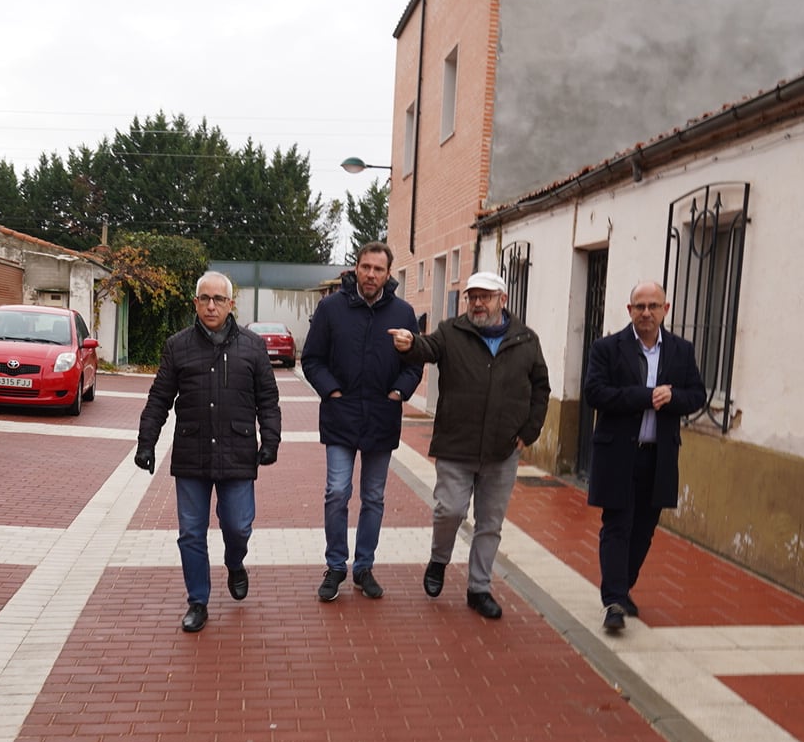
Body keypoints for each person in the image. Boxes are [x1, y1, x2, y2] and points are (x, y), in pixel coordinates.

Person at [387, 271, 549, 619]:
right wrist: (410, 343)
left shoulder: (526, 340)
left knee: (490, 523)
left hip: (502, 449)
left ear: (502, 300)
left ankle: (479, 589)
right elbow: (427, 348)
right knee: (450, 510)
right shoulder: (452, 331)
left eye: (485, 297)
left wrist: (530, 430)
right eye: (472, 296)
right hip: (456, 444)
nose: (477, 303)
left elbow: (541, 387)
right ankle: (439, 559)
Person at [136, 271, 282, 633]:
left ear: (231, 304)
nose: (211, 305)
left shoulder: (252, 346)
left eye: (219, 299)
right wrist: (146, 442)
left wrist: (272, 440)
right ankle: (197, 601)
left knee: (238, 525)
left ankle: (235, 562)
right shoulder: (177, 346)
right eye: (205, 298)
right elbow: (159, 398)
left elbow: (268, 399)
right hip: (192, 452)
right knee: (190, 533)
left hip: (237, 451)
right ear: (195, 303)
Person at [300, 241, 422, 602]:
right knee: (337, 492)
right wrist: (331, 391)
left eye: (378, 269)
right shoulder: (331, 308)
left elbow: (415, 362)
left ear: (389, 274)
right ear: (355, 268)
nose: (370, 275)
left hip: (382, 418)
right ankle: (336, 565)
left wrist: (399, 392)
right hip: (340, 416)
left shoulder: (403, 312)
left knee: (373, 496)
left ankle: (364, 567)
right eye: (365, 267)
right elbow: (312, 359)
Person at [583, 280, 706, 634]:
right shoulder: (607, 348)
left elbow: (696, 394)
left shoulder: (681, 351)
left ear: (666, 310)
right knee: (617, 525)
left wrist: (673, 399)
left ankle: (622, 586)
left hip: (659, 456)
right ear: (629, 311)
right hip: (618, 454)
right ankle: (614, 600)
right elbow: (595, 392)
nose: (647, 313)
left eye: (654, 306)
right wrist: (645, 396)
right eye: (640, 306)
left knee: (644, 531)